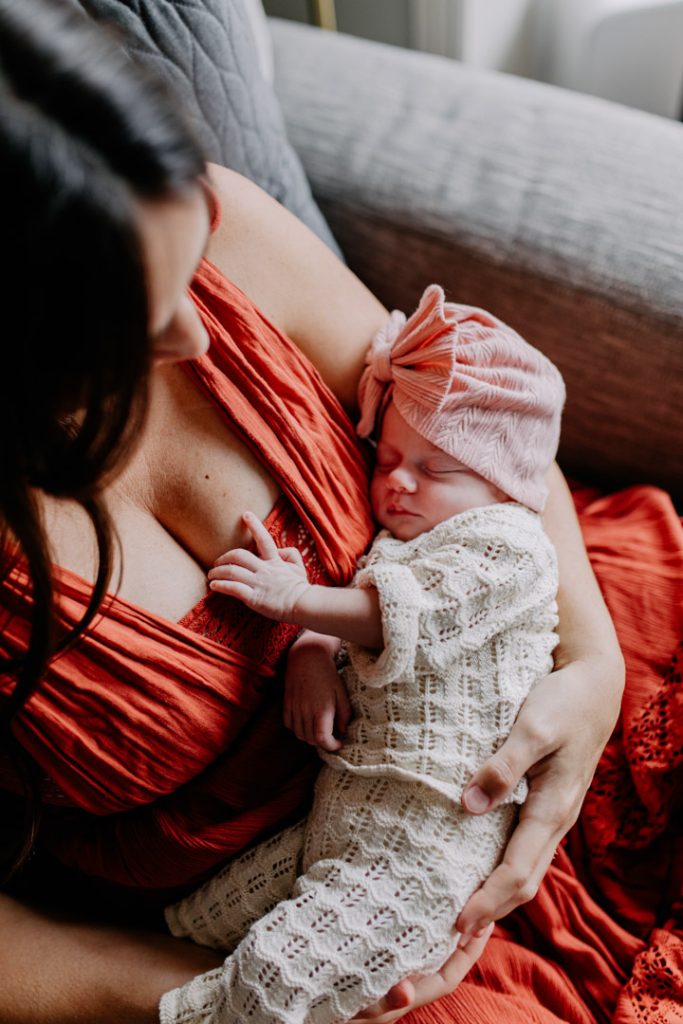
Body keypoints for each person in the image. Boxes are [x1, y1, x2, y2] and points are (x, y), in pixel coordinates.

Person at [0, 2, 625, 1022]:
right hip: (265, 941)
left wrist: (593, 667)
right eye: (133, 318)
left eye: (189, 255)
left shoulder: (217, 222)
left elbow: (485, 431)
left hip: (505, 680)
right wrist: (229, 999)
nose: (201, 336)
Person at [158, 284, 566, 1024]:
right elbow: (365, 615)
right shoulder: (405, 540)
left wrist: (294, 599)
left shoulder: (512, 550)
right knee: (196, 921)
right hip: (341, 817)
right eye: (388, 458)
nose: (398, 483)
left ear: (507, 486)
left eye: (437, 470)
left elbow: (395, 613)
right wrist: (310, 650)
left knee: (277, 975)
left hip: (426, 845)